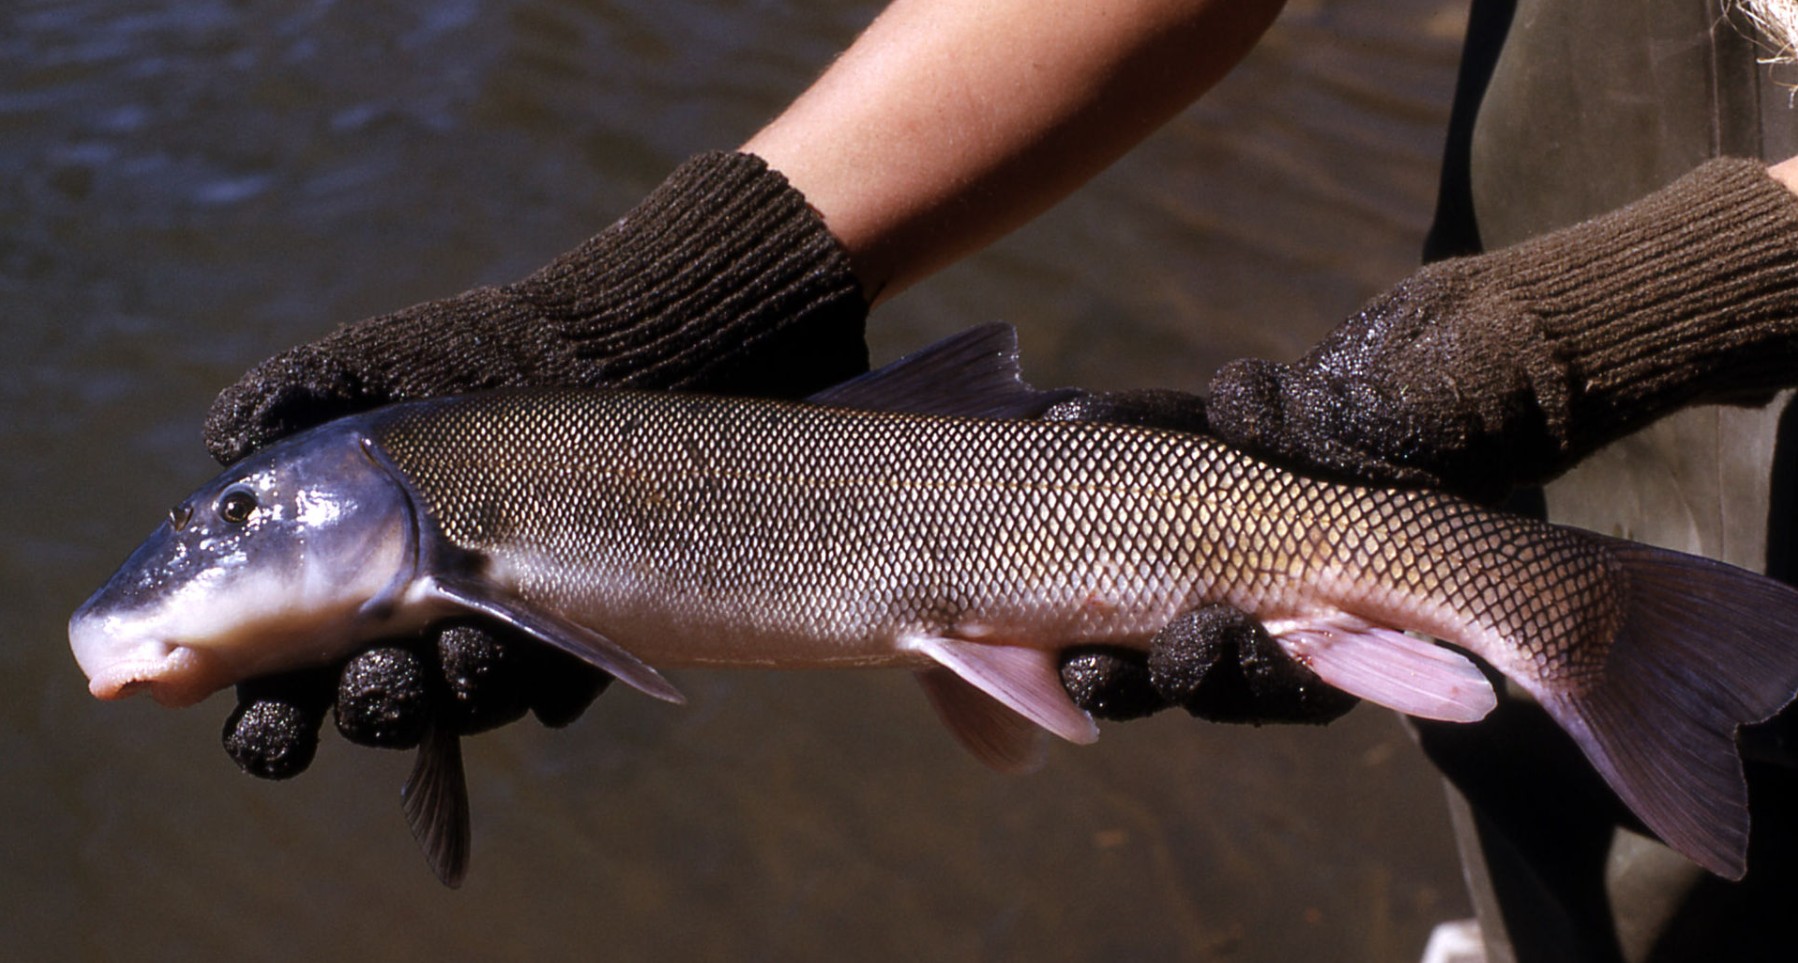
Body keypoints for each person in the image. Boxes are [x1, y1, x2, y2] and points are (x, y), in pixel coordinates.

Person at [203, 0, 1798, 958]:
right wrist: (679, 297)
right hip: (1583, 378)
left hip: (1659, 293)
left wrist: (1601, 315)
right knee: (1592, 867)